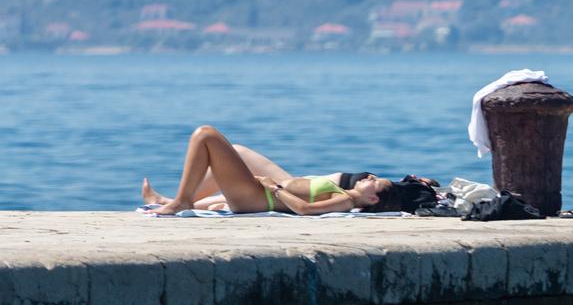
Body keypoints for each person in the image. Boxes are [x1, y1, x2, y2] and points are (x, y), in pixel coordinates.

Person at [144, 125, 430, 215]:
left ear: (373, 200)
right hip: (262, 194)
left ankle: (180, 201)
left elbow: (305, 211)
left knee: (205, 136)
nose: (368, 177)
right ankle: (176, 200)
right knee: (236, 150)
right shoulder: (347, 194)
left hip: (261, 197)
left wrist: (274, 188)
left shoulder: (346, 200)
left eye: (373, 183)